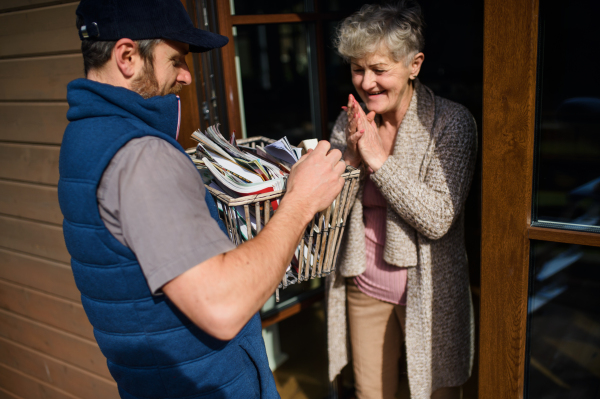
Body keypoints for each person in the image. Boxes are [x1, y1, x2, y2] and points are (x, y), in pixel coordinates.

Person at [58, 1, 346, 398]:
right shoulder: (144, 156)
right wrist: (300, 200)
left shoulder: (84, 135)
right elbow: (223, 307)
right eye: (175, 59)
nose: (186, 76)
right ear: (126, 56)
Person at [325, 2, 477, 399]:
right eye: (358, 69)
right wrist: (352, 159)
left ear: (414, 64)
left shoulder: (451, 123)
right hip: (364, 283)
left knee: (436, 394)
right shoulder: (349, 121)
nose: (367, 82)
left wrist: (377, 159)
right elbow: (331, 209)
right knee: (370, 393)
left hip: (430, 291)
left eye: (379, 69)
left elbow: (438, 218)